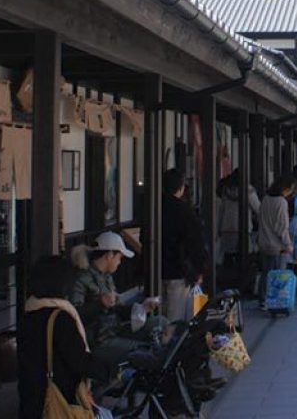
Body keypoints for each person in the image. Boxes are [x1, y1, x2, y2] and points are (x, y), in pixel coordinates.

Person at [19, 256, 111, 419]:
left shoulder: (29, 313)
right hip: (59, 398)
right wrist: (107, 371)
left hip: (32, 397)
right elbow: (78, 360)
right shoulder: (60, 318)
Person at [69, 231, 162, 368]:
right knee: (146, 353)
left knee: (160, 323)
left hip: (114, 330)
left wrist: (141, 307)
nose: (119, 263)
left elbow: (116, 307)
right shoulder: (81, 278)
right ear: (109, 255)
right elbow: (73, 315)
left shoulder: (106, 276)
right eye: (119, 258)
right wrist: (100, 304)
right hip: (98, 341)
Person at [162, 168, 208, 322]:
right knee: (175, 317)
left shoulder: (154, 208)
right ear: (181, 188)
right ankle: (171, 343)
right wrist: (200, 269)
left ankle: (159, 342)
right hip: (180, 270)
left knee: (160, 314)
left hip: (156, 270)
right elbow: (196, 243)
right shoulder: (186, 212)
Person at [257, 175, 295, 308]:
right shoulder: (281, 202)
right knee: (277, 274)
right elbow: (282, 227)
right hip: (276, 245)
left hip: (263, 241)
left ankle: (262, 298)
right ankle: (274, 300)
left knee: (266, 272)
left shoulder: (265, 199)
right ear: (285, 189)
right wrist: (288, 244)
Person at [216, 169, 261, 267]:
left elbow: (222, 211)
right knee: (244, 258)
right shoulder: (248, 190)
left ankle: (228, 278)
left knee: (228, 257)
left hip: (227, 228)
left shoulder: (226, 190)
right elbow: (258, 209)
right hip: (243, 229)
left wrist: (219, 228)